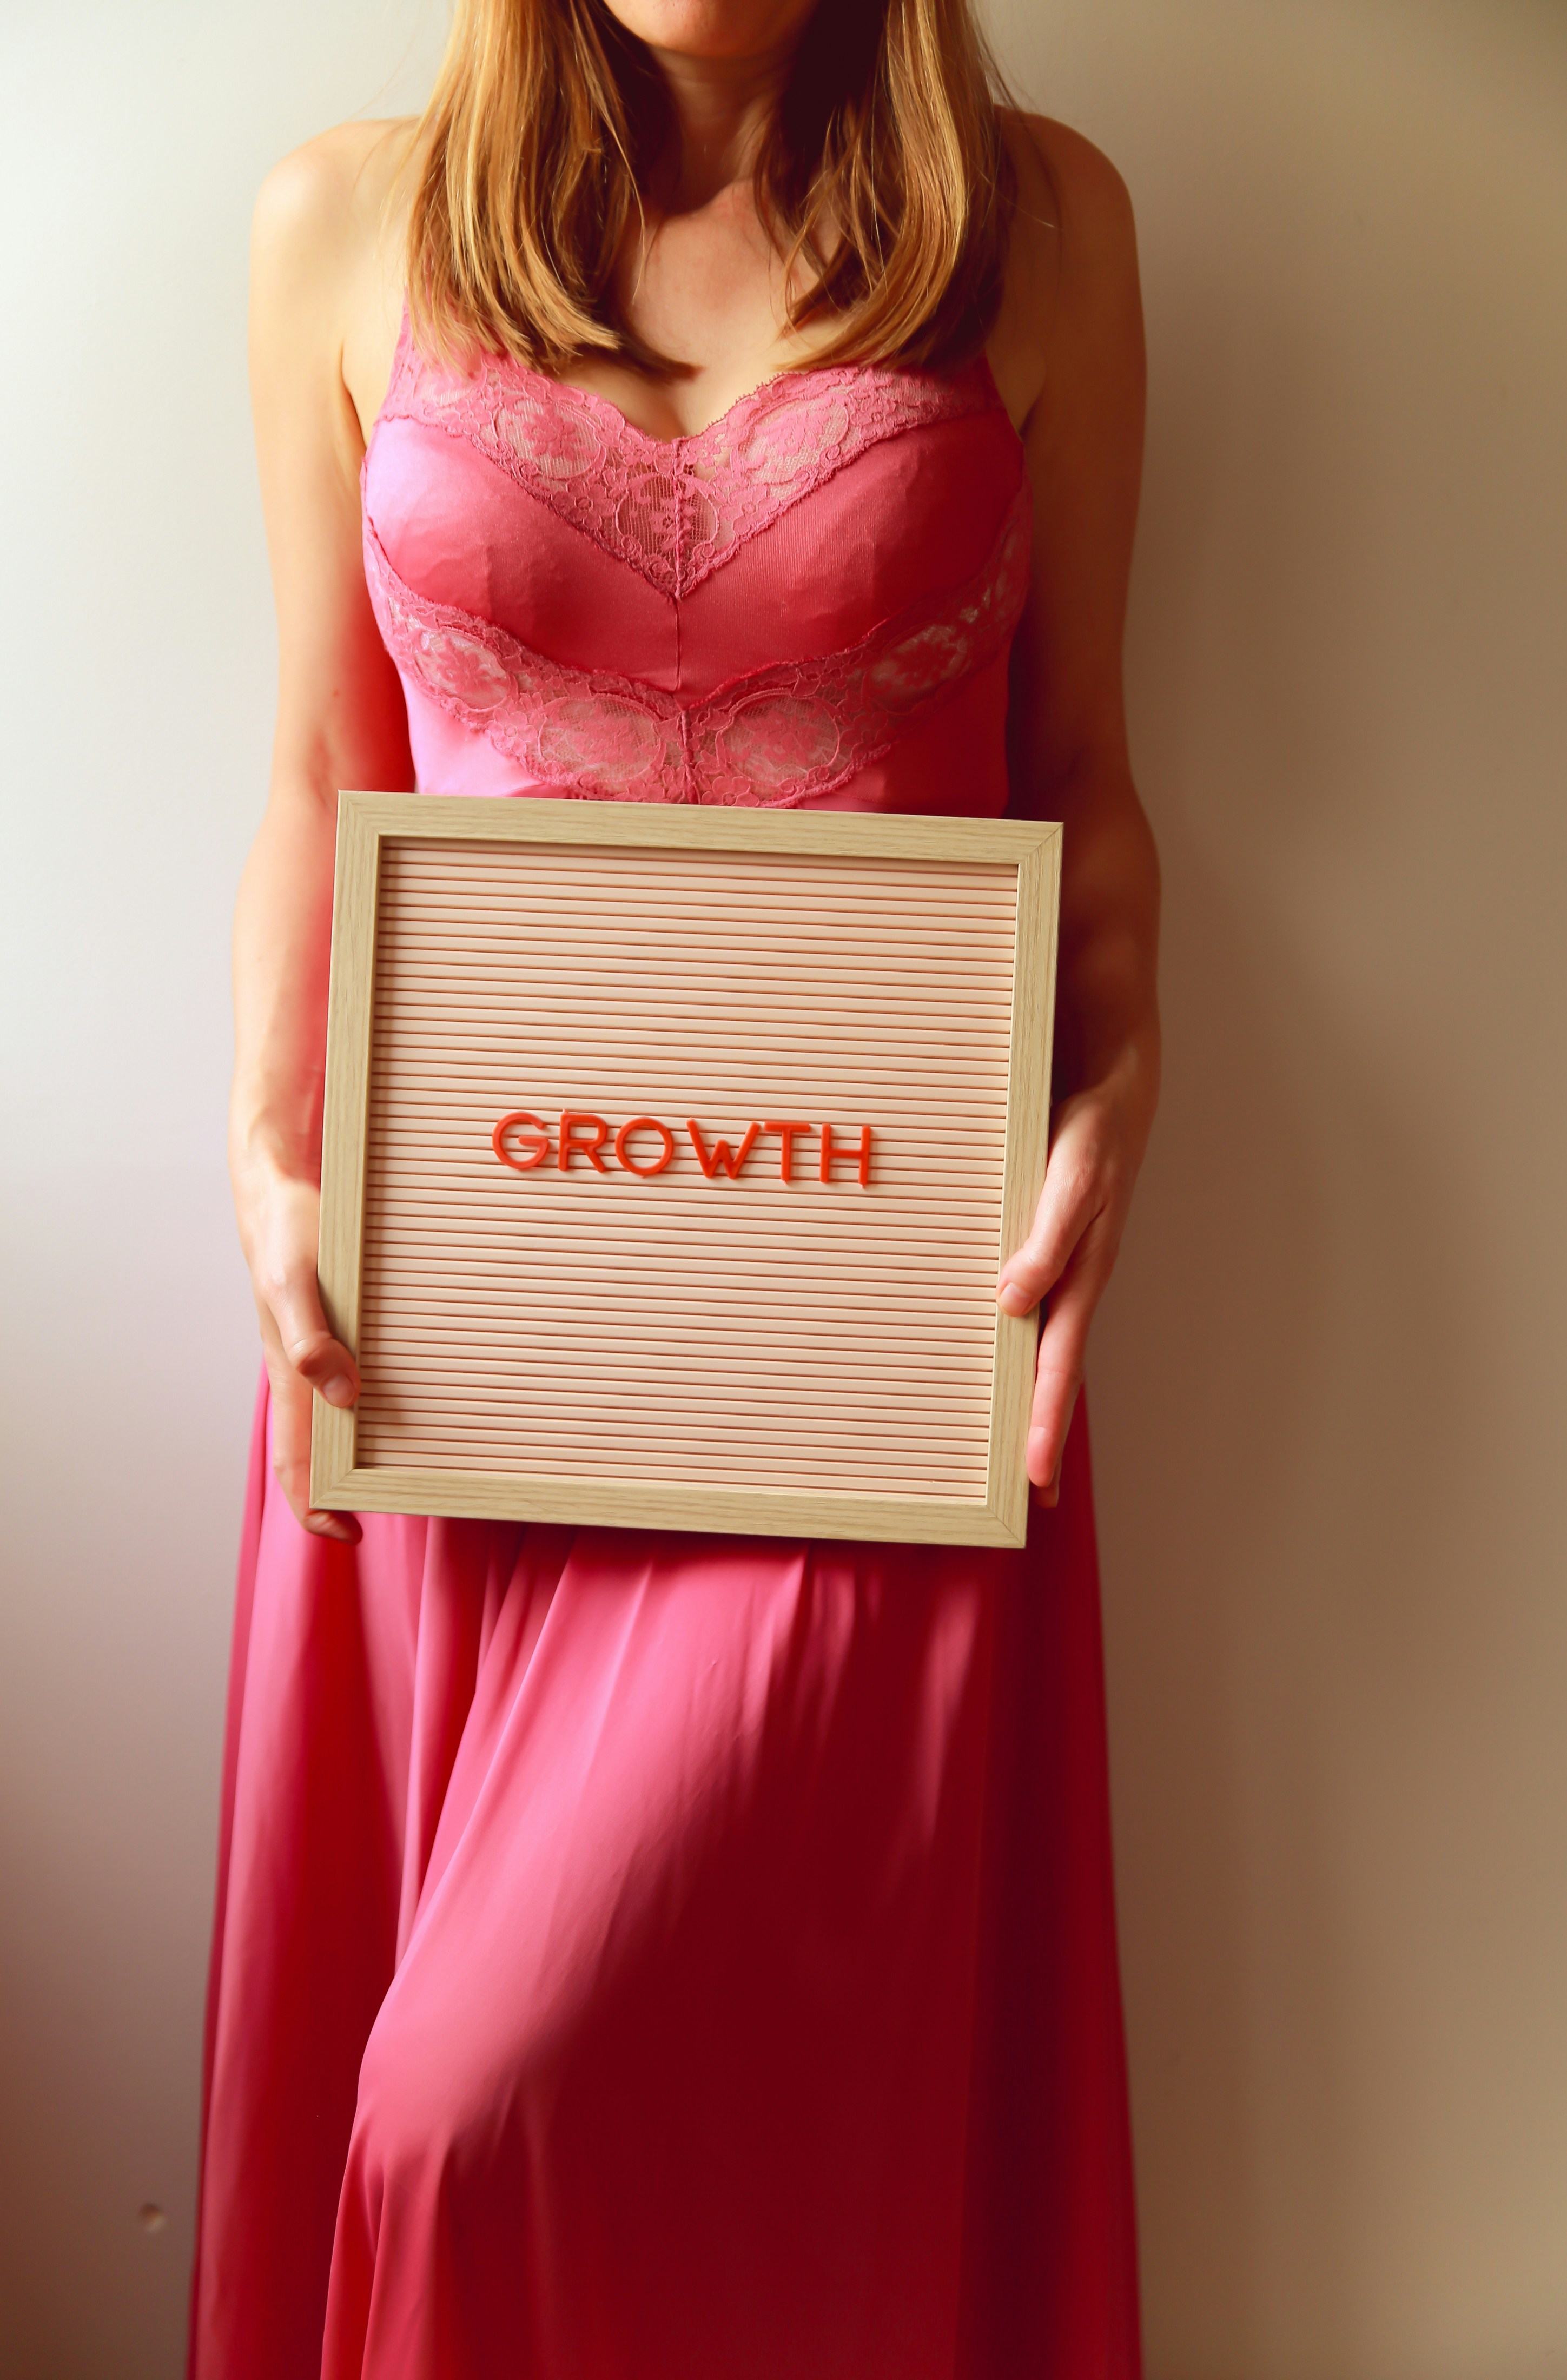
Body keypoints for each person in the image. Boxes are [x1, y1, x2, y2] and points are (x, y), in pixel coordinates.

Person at [192, 0, 1161, 2369]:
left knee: (483, 2100)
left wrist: (1123, 1091)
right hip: (456, 1340)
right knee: (505, 2105)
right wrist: (258, 1148)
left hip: (864, 1357)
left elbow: (1082, 770)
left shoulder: (1042, 227)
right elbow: (322, 772)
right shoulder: (341, 219)